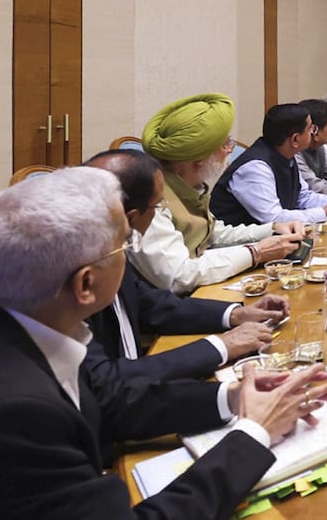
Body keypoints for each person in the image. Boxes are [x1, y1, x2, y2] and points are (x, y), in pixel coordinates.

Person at [0, 167, 327, 519]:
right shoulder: (11, 414)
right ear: (85, 285)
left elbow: (108, 399)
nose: (131, 251)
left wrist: (235, 398)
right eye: (124, 245)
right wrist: (253, 435)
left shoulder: (31, 318)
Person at [85, 149, 282, 383]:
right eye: (157, 206)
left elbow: (150, 304)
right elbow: (108, 383)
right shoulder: (73, 275)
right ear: (131, 217)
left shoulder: (112, 245)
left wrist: (236, 314)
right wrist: (222, 346)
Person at [136, 93, 304, 294]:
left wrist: (273, 229)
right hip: (175, 308)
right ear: (199, 159)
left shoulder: (189, 186)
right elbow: (180, 276)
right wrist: (256, 252)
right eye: (225, 144)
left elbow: (212, 234)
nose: (230, 150)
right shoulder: (151, 201)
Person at [211, 103, 327, 226]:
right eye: (310, 129)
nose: (313, 133)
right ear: (295, 139)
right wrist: (323, 212)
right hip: (237, 246)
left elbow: (303, 197)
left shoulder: (287, 155)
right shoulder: (255, 168)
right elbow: (273, 218)